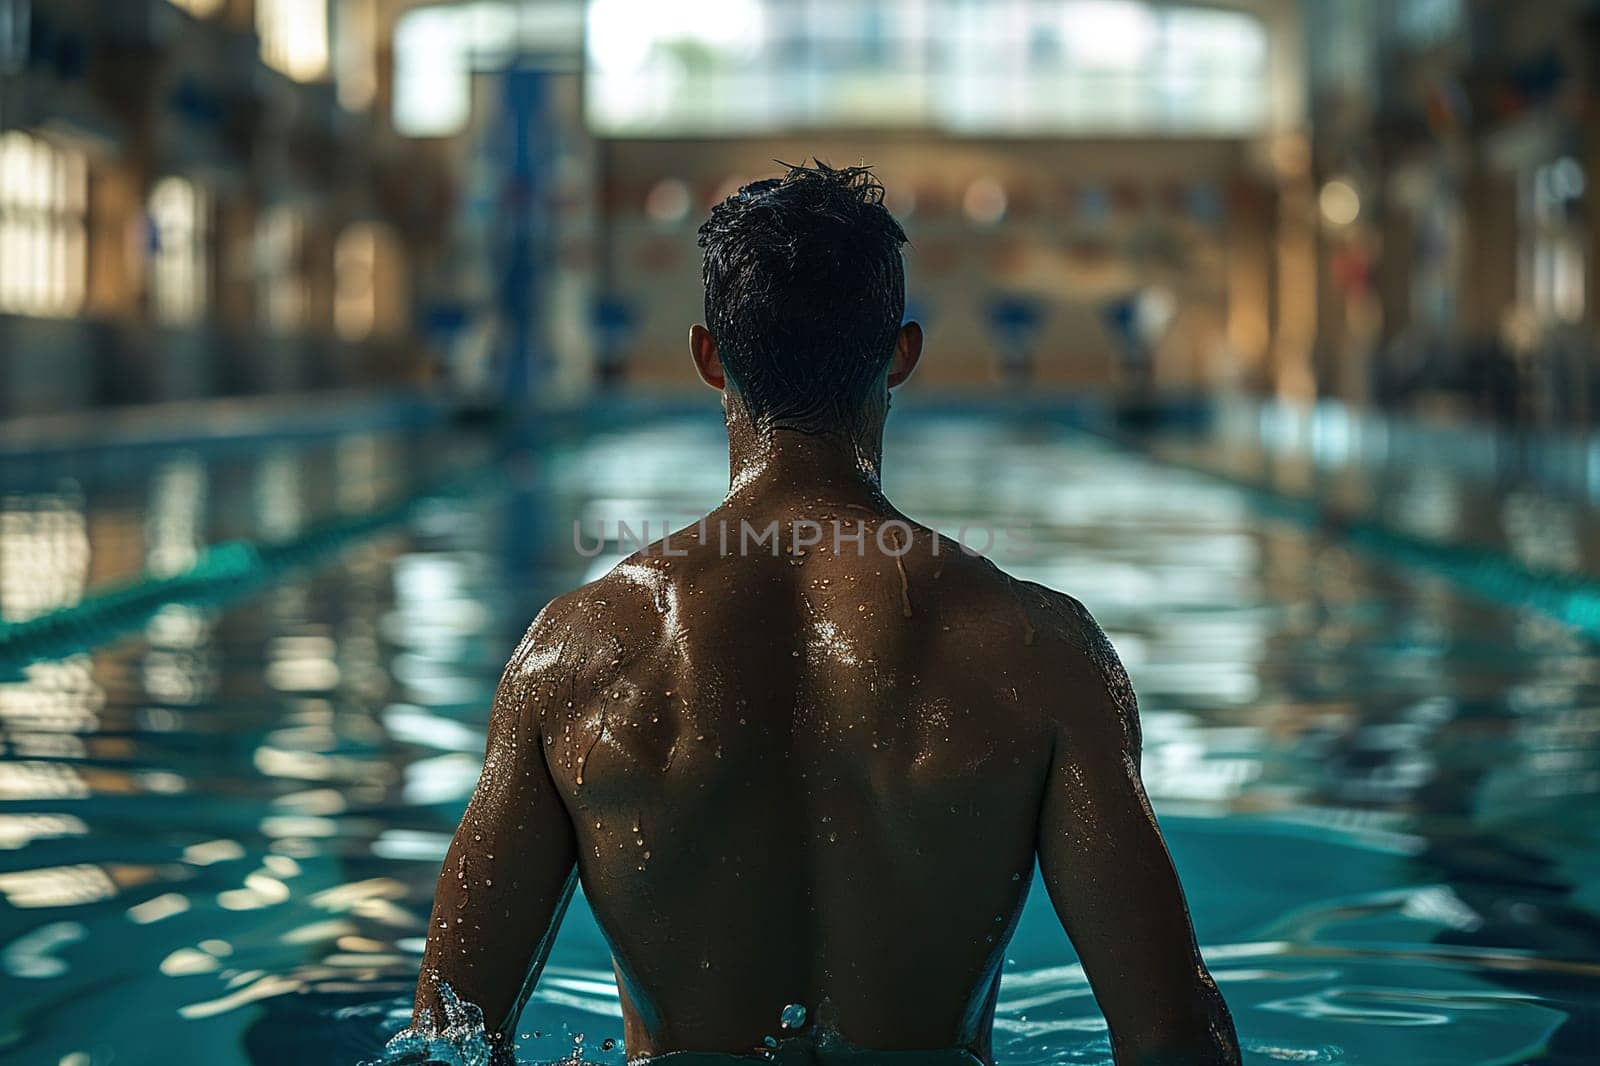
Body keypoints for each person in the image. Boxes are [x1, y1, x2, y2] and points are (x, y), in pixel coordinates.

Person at [409, 161, 1239, 1065]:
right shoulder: (1040, 652)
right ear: (901, 354)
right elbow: (1171, 1035)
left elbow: (450, 1039)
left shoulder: (571, 657)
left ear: (709, 357)